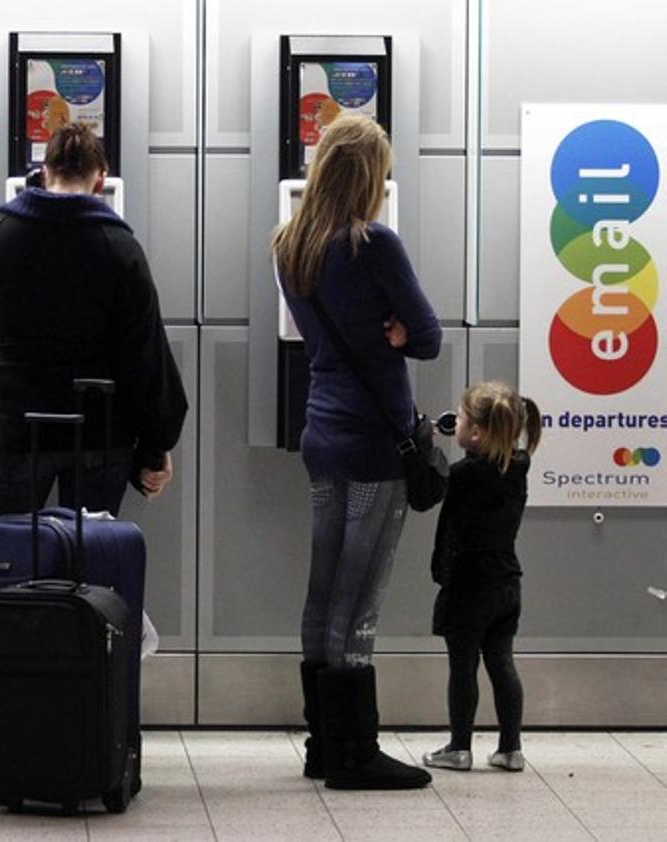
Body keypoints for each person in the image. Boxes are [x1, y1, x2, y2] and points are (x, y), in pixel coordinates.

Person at [0, 122, 188, 754]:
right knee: (90, 573)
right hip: (100, 431)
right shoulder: (117, 246)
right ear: (100, 178)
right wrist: (155, 445)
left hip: (18, 429)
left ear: (41, 171)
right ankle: (86, 711)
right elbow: (144, 352)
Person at [274, 114, 442, 789]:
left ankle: (323, 744)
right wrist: (397, 336)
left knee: (323, 592)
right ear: (371, 175)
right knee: (360, 600)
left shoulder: (289, 245)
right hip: (375, 441)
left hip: (322, 432)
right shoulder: (375, 245)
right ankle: (354, 752)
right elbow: (427, 335)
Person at [423, 382, 540, 773]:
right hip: (507, 583)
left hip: (468, 586)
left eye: (461, 418)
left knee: (463, 666)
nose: (454, 421)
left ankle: (459, 747)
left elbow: (428, 487)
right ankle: (511, 749)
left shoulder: (464, 474)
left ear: (475, 433)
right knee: (502, 662)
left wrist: (423, 440)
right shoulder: (517, 465)